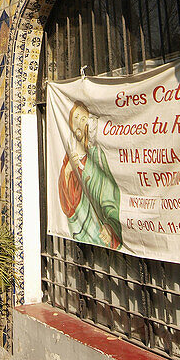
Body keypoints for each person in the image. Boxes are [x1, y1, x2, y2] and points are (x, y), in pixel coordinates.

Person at [58, 102, 123, 249]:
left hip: (100, 234)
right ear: (70, 123)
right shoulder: (66, 159)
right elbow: (66, 204)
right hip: (77, 235)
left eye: (83, 119)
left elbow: (110, 194)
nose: (79, 123)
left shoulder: (97, 156)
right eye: (76, 118)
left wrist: (109, 225)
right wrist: (68, 171)